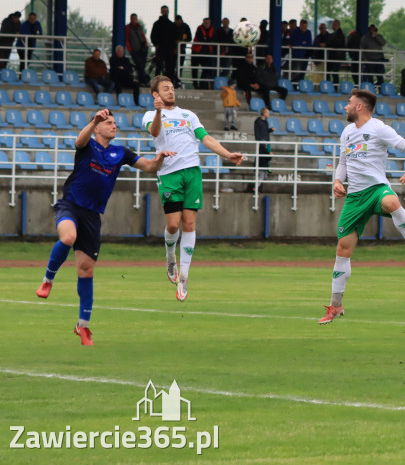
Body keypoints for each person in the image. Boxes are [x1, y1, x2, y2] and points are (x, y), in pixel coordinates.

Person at [34, 109, 174, 345]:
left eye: (114, 123)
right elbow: (79, 141)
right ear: (97, 127)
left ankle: (83, 327)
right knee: (68, 237)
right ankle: (48, 280)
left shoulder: (121, 153)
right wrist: (93, 121)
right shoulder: (88, 145)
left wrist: (160, 158)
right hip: (70, 205)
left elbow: (149, 167)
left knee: (86, 271)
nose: (113, 126)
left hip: (93, 215)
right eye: (108, 122)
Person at [318, 89, 405, 324]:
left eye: (349, 103)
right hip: (355, 198)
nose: (345, 107)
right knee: (343, 251)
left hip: (376, 189)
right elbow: (343, 162)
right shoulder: (347, 132)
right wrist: (337, 181)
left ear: (360, 106)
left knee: (392, 201)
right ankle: (336, 305)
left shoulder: (379, 128)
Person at [144, 76, 245, 302]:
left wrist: (227, 154)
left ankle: (184, 277)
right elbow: (154, 132)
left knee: (189, 223)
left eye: (172, 88)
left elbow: (205, 138)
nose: (170, 92)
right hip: (169, 174)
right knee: (172, 224)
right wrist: (159, 112)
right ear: (155, 95)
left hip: (192, 172)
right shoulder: (151, 115)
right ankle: (170, 256)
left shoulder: (188, 115)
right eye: (165, 89)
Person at [150, 5, 177, 83]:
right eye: (164, 11)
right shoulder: (157, 24)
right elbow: (153, 36)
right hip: (160, 48)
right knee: (159, 66)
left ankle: (170, 83)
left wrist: (175, 47)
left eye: (166, 11)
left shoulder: (172, 25)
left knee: (170, 67)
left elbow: (175, 37)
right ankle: (156, 83)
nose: (165, 12)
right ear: (161, 12)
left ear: (168, 12)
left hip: (170, 49)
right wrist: (156, 44)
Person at [192, 17, 217, 90]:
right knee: (194, 70)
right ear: (203, 22)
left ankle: (201, 84)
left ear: (210, 23)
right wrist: (208, 40)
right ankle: (195, 85)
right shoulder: (199, 28)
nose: (206, 24)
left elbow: (214, 39)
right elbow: (200, 39)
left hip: (206, 53)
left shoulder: (213, 29)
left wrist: (206, 39)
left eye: (208, 23)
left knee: (206, 70)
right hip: (196, 53)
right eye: (205, 23)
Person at [125, 13, 149, 84]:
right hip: (134, 50)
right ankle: (144, 80)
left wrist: (146, 44)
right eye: (133, 18)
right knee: (139, 65)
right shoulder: (128, 27)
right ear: (130, 19)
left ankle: (141, 80)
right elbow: (126, 39)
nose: (134, 20)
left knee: (142, 66)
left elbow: (143, 36)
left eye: (135, 18)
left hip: (143, 49)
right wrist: (130, 49)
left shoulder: (139, 27)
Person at [288, 19, 313, 85]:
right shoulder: (294, 32)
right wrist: (303, 43)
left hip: (305, 55)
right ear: (300, 25)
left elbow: (309, 43)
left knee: (302, 72)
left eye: (306, 26)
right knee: (296, 71)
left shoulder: (308, 32)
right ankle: (294, 85)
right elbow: (294, 43)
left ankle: (301, 86)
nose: (305, 28)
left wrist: (301, 44)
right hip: (296, 55)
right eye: (303, 26)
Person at [254, 107, 272, 184]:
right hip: (261, 140)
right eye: (267, 112)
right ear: (264, 113)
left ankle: (266, 170)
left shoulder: (266, 122)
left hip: (266, 140)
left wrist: (270, 130)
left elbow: (266, 131)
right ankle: (258, 169)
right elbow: (257, 131)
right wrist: (258, 141)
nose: (269, 114)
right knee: (262, 156)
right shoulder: (258, 121)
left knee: (267, 155)